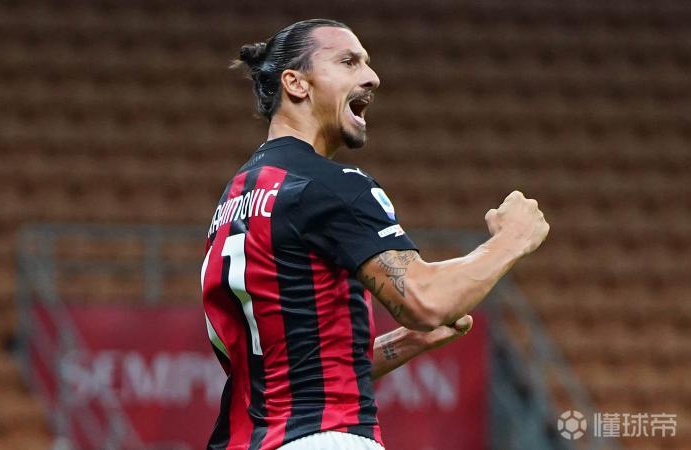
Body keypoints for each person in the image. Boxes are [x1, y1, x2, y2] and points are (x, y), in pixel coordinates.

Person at [201, 18, 549, 450]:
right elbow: (426, 300)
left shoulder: (235, 198)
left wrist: (408, 342)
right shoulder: (328, 186)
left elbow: (288, 372)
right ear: (296, 83)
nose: (372, 77)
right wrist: (512, 239)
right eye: (348, 62)